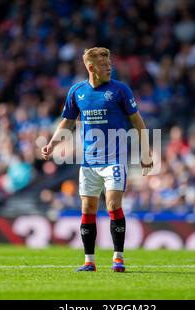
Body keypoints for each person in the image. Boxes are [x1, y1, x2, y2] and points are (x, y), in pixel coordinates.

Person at [41, 47, 153, 272]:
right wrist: (53, 143)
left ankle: (118, 258)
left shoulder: (120, 90)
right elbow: (67, 122)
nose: (109, 67)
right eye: (103, 64)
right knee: (88, 208)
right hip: (89, 163)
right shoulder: (77, 91)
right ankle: (89, 261)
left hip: (115, 160)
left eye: (109, 62)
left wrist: (145, 152)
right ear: (91, 68)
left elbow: (137, 122)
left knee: (113, 204)